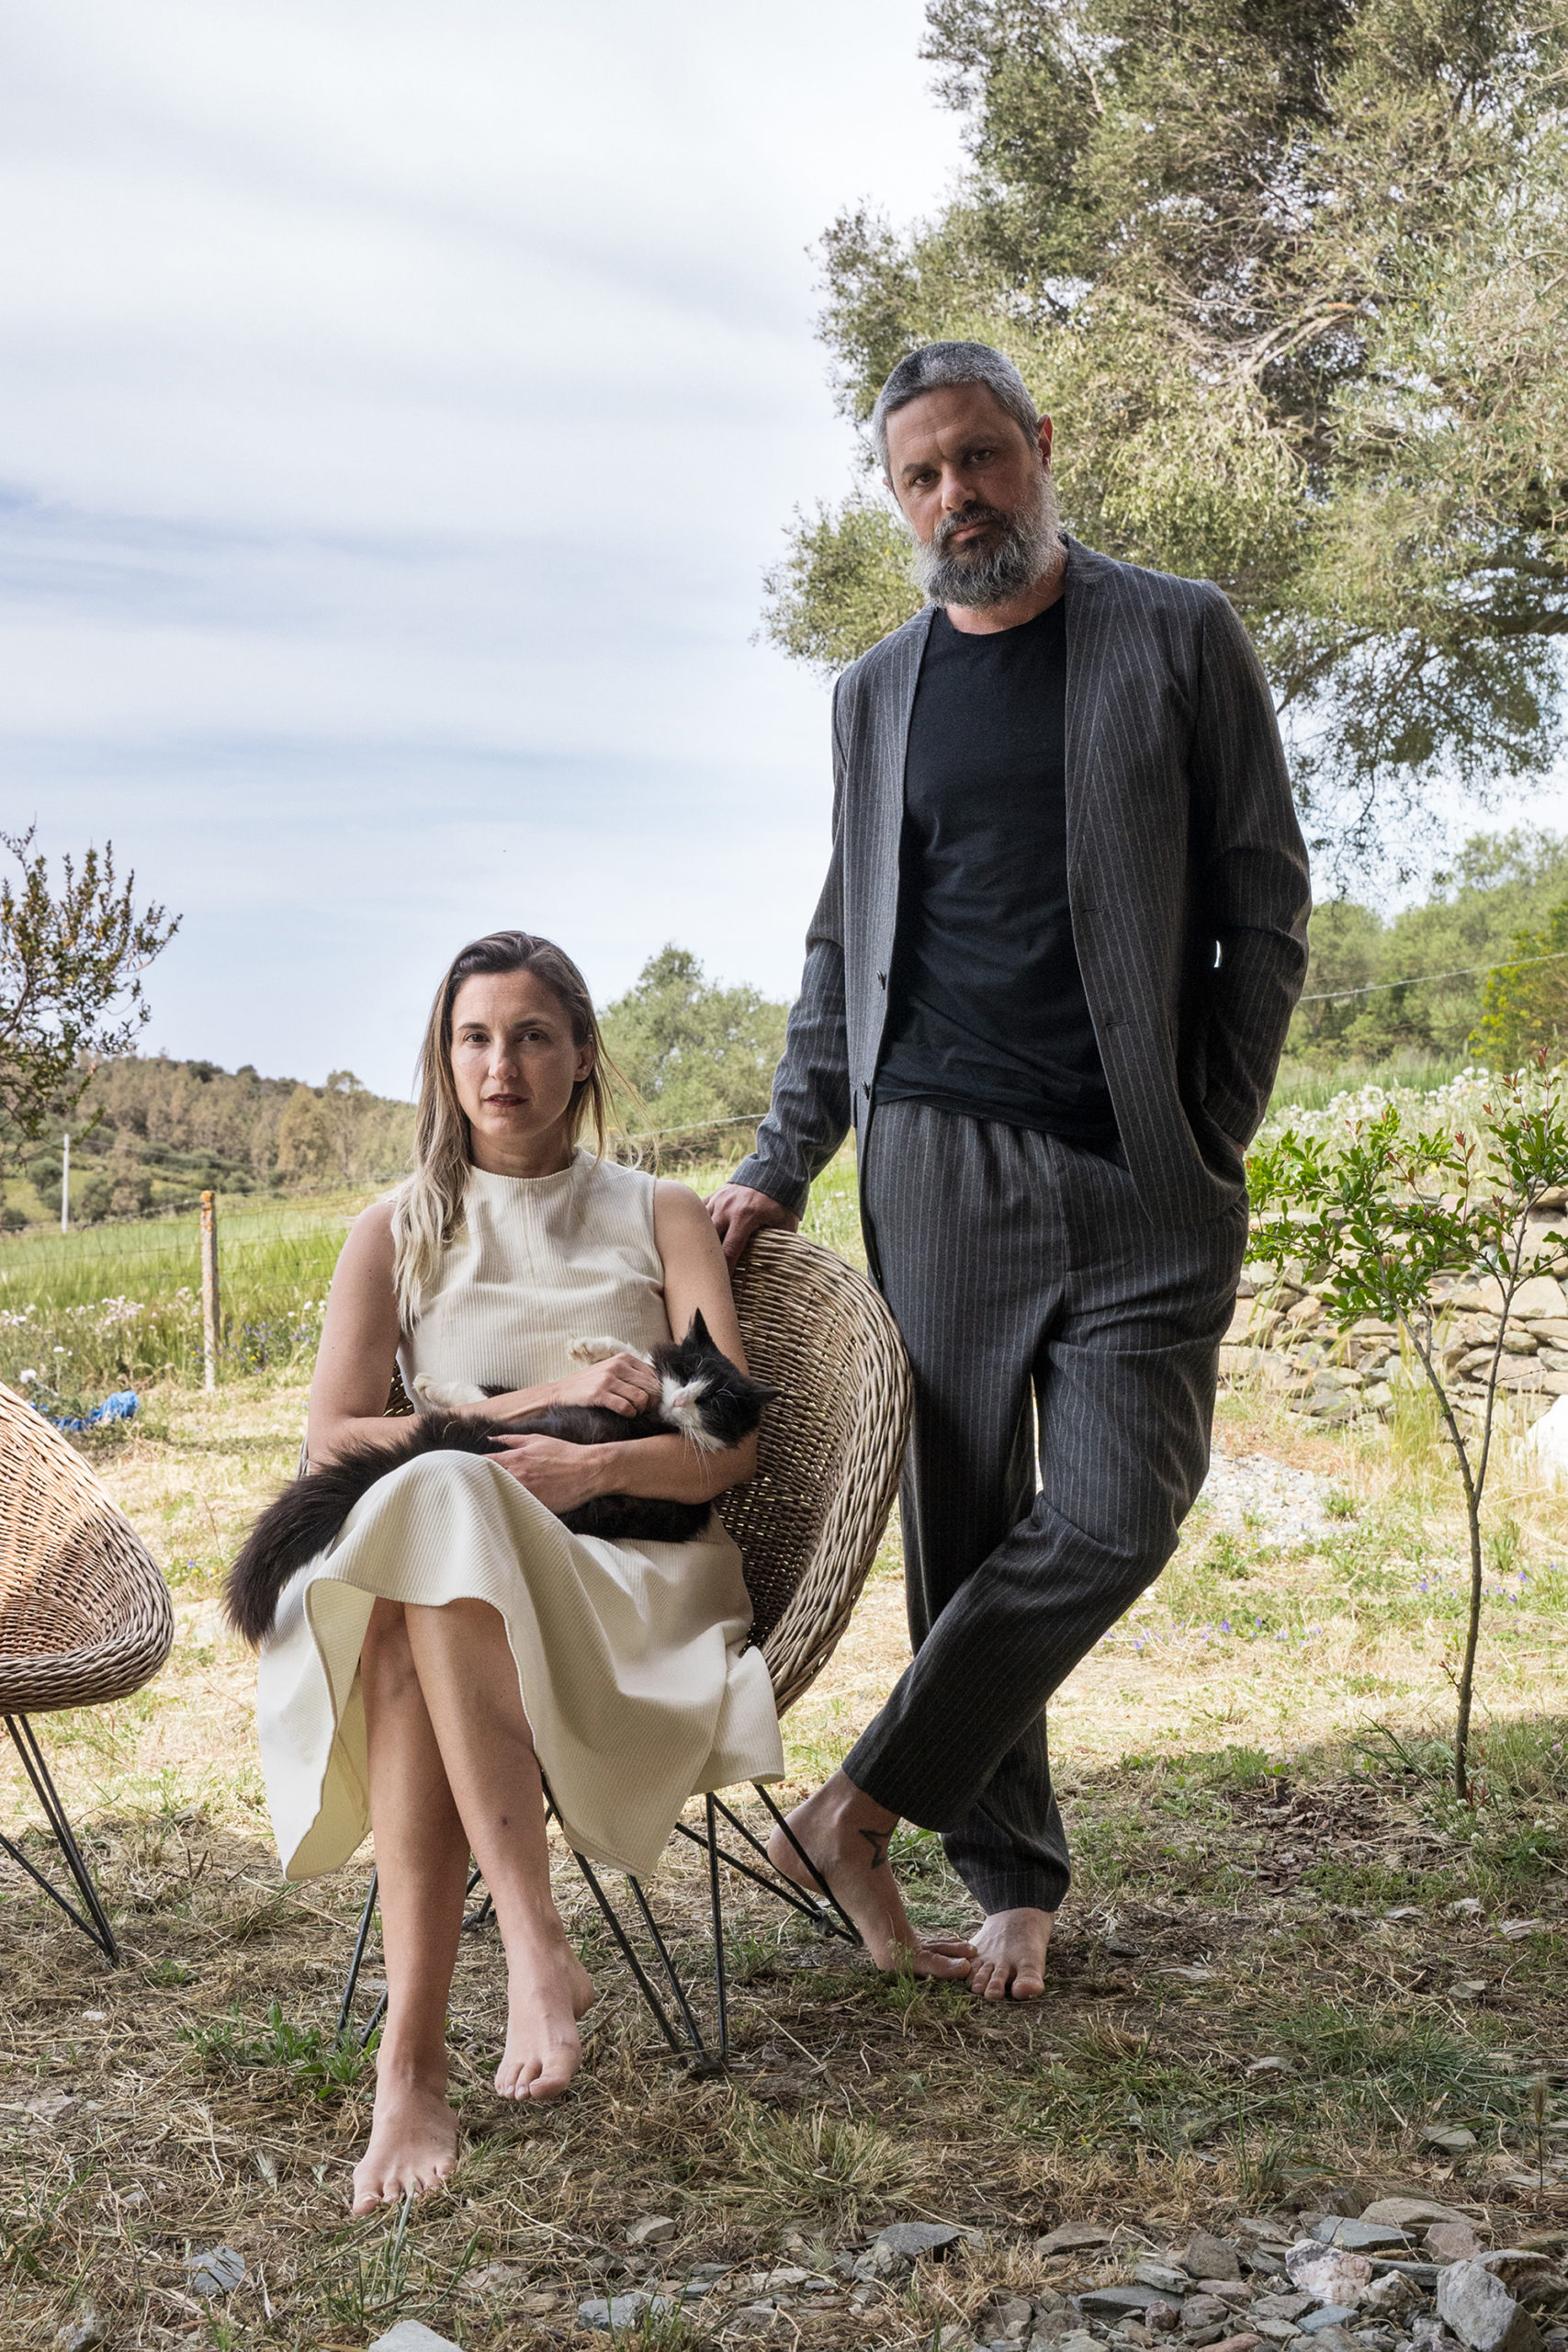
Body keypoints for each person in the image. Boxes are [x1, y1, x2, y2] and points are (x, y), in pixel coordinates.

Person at [709, 341, 1309, 2002]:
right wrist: (787, 1154)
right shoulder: (873, 694)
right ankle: (1011, 1877)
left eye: (979, 458)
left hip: (1143, 1170)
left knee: (1118, 1512)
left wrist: (1211, 1118)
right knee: (965, 1537)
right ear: (895, 499)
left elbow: (1264, 897)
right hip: (937, 1164)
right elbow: (843, 946)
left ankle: (857, 1804)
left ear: (1038, 448)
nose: (956, 496)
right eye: (922, 475)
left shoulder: (1176, 633)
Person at [254, 930, 783, 2212]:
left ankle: (420, 2058)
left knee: (423, 1556)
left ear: (583, 1053)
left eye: (534, 1035)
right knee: (435, 1521)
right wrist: (538, 1403)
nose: (503, 1066)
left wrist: (586, 1470)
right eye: (476, 1038)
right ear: (444, 1060)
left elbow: (732, 1448)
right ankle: (512, 1963)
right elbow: (333, 1442)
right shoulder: (396, 1230)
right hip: (460, 1569)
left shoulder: (658, 1212)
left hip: (634, 1580)